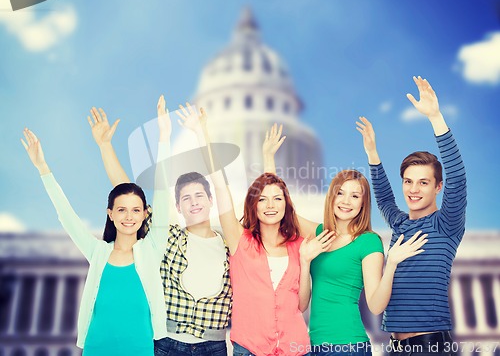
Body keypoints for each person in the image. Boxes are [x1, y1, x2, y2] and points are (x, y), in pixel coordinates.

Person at [175, 104, 335, 356]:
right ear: (253, 205)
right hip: (249, 348)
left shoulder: (299, 246)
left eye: (278, 200)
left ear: (287, 204)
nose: (270, 205)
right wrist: (201, 132)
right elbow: (219, 183)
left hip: (295, 349)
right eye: (262, 200)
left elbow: (301, 305)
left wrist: (305, 262)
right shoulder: (239, 240)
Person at [263, 125, 428, 356]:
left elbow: (375, 304)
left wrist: (391, 264)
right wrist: (269, 160)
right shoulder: (320, 233)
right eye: (340, 193)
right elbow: (282, 211)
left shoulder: (368, 242)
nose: (346, 201)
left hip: (348, 346)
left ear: (363, 203)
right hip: (314, 344)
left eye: (355, 195)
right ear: (331, 196)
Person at [87, 98, 231, 356]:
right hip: (168, 343)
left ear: (211, 200)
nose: (194, 202)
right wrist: (105, 146)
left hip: (214, 345)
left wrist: (202, 133)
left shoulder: (229, 242)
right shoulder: (167, 237)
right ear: (177, 206)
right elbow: (129, 196)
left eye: (200, 196)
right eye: (185, 198)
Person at [21, 118, 170, 355]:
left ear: (145, 214)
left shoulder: (152, 249)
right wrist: (43, 169)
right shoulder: (99, 251)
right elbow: (67, 216)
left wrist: (164, 138)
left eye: (135, 210)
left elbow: (163, 195)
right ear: (110, 214)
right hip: (96, 347)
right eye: (121, 209)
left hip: (139, 348)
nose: (128, 216)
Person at [356, 76, 467, 356]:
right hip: (395, 346)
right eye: (408, 181)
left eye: (423, 182)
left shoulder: (447, 223)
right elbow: (382, 197)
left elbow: (458, 176)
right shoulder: (400, 224)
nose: (414, 190)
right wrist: (372, 153)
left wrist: (435, 118)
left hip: (430, 346)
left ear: (438, 187)